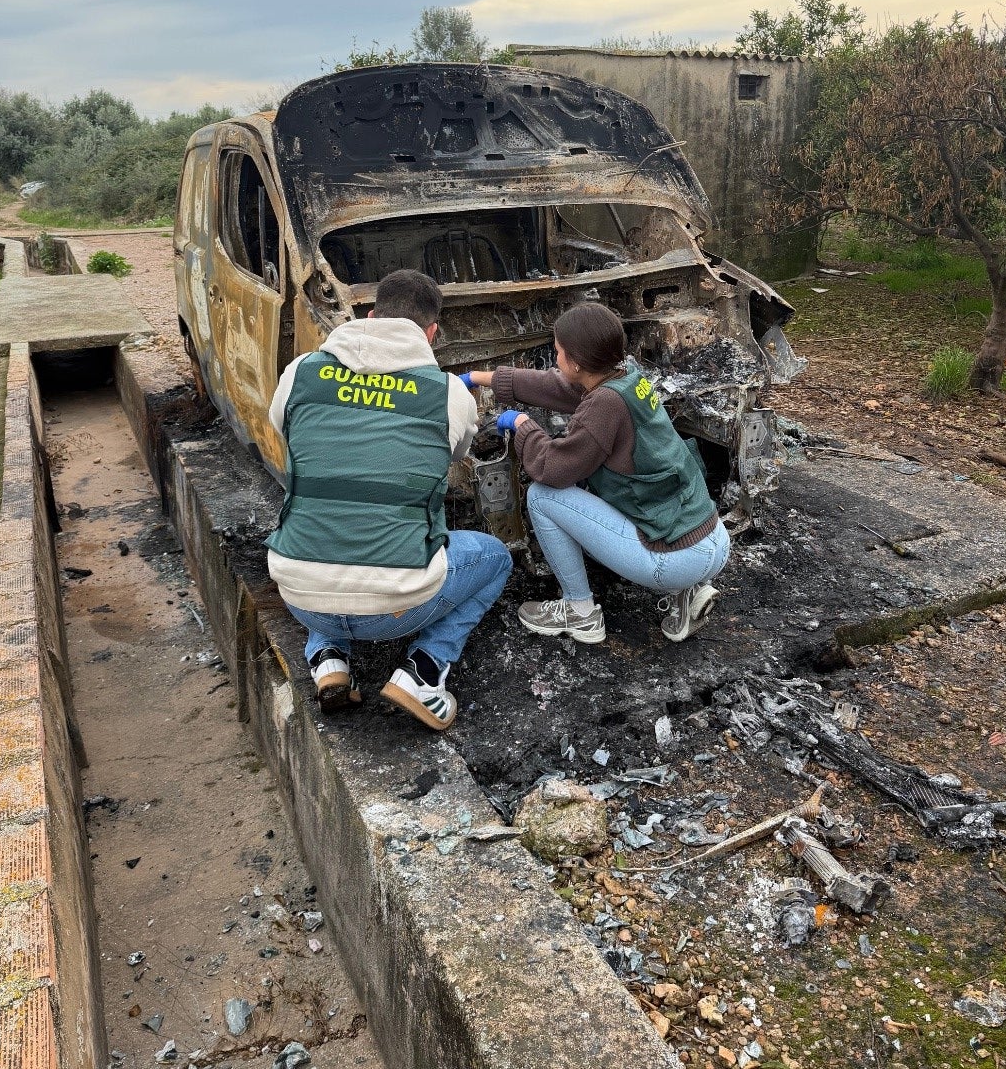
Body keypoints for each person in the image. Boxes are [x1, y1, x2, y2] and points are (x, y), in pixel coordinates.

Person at [266, 269, 512, 731]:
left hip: (301, 596)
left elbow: (286, 432)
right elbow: (458, 454)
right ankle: (424, 672)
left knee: (328, 523)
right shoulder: (448, 394)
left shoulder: (299, 373)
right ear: (432, 333)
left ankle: (328, 658)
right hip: (398, 609)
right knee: (495, 558)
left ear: (373, 315)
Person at [463, 302, 729, 644]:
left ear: (576, 362)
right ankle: (688, 592)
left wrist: (522, 425)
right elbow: (555, 386)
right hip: (712, 540)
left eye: (558, 352)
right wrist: (478, 378)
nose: (555, 359)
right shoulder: (626, 379)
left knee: (542, 496)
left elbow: (551, 468)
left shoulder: (603, 405)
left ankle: (580, 612)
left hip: (674, 558)